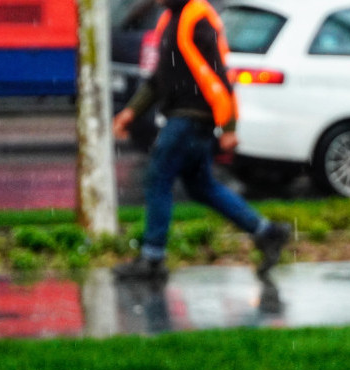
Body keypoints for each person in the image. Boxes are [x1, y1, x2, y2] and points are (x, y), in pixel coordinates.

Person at [112, 0, 290, 280]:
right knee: (201, 186)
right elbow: (160, 77)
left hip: (191, 117)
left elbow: (220, 70)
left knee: (157, 179)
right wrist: (130, 113)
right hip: (185, 117)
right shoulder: (171, 19)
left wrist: (230, 126)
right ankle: (267, 232)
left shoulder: (198, 19)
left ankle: (152, 258)